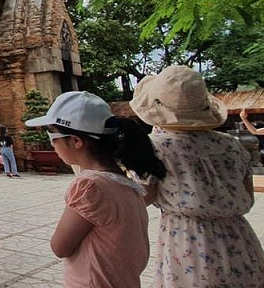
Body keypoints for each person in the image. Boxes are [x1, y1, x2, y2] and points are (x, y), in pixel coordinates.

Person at [134, 65, 264, 287]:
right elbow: (247, 196)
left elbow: (142, 197)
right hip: (238, 237)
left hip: (187, 239)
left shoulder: (154, 148)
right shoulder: (232, 145)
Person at [26, 91, 166, 288]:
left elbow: (60, 246)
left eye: (52, 134)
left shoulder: (90, 187)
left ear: (76, 141)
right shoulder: (126, 183)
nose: (52, 144)